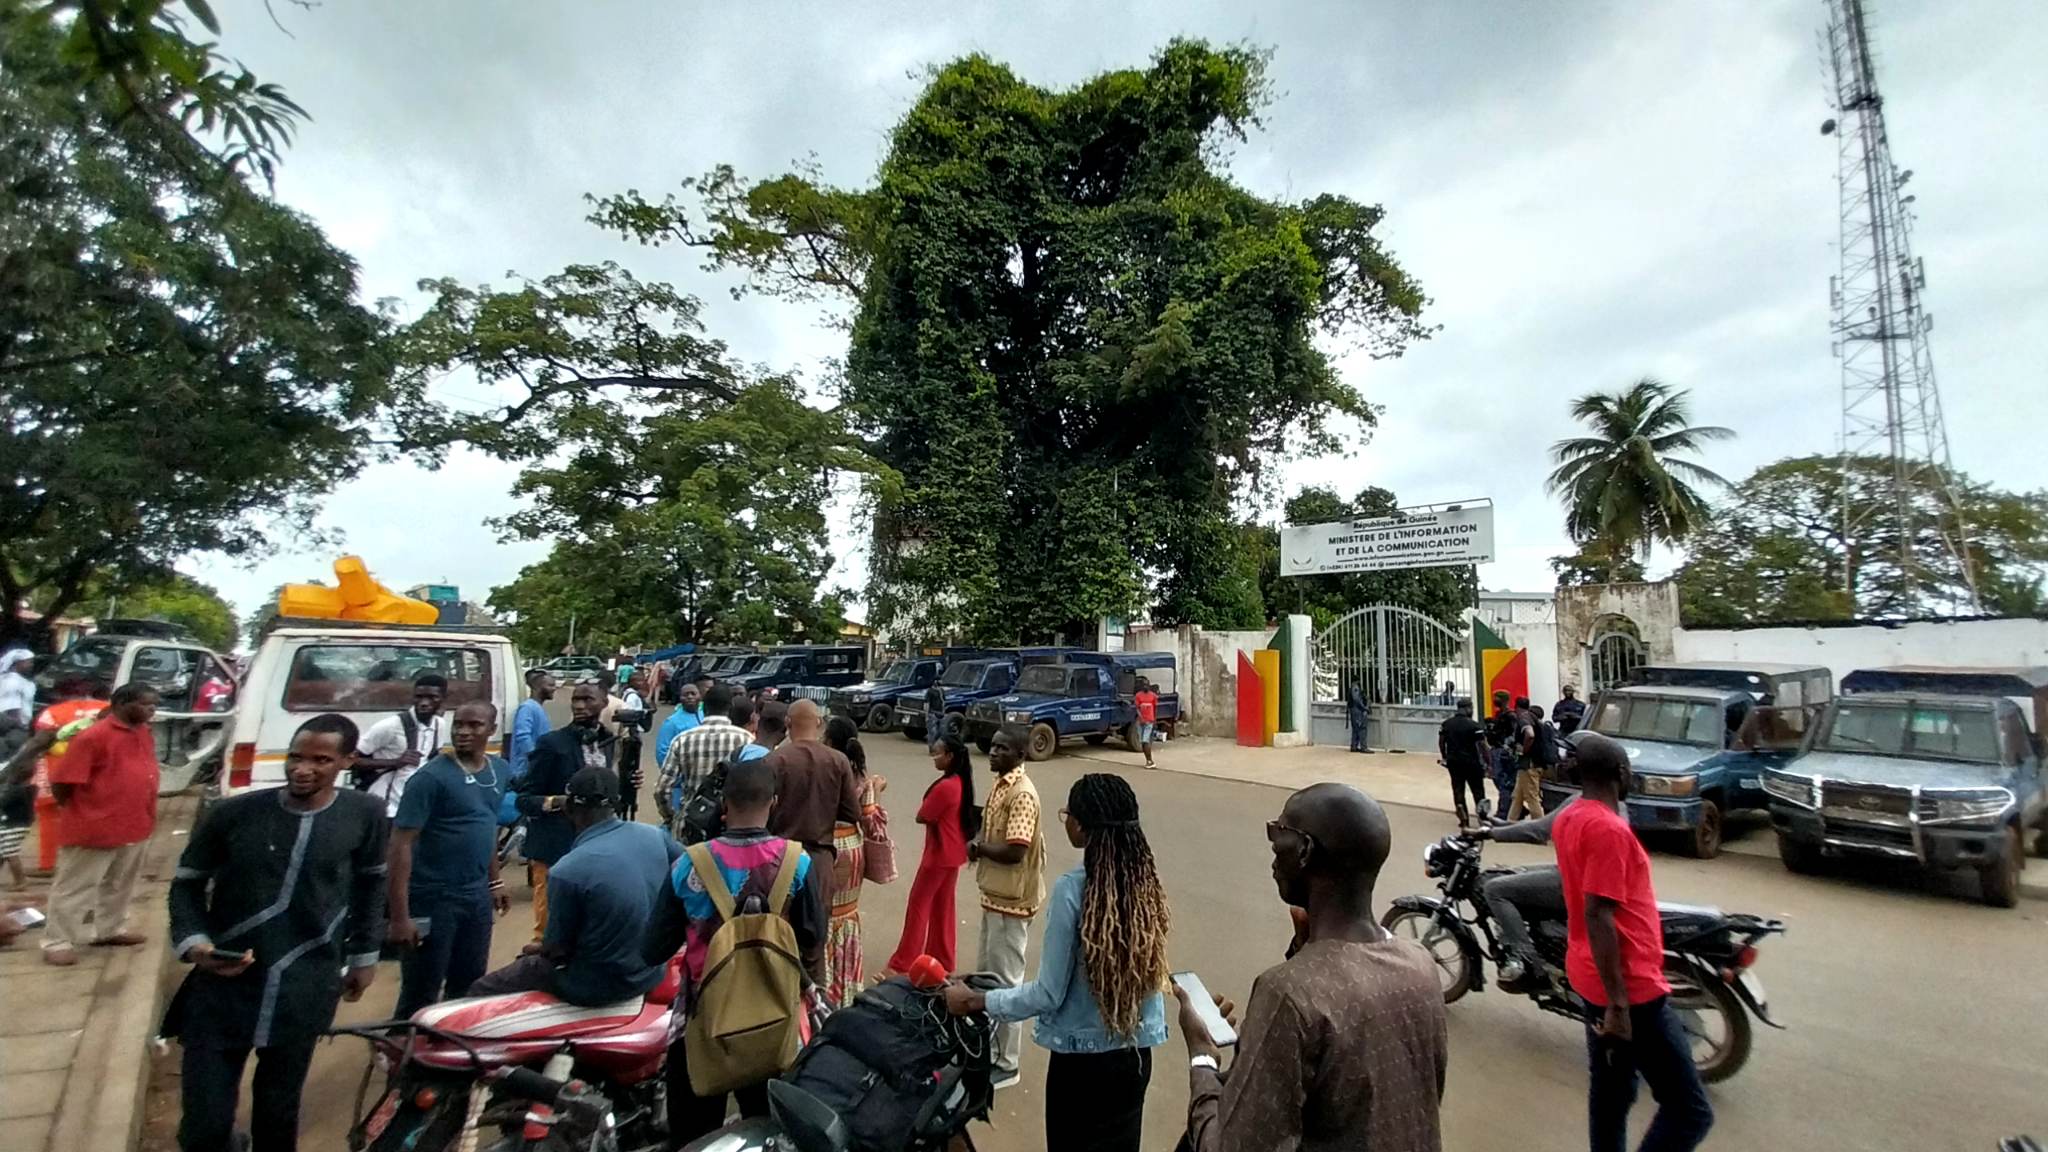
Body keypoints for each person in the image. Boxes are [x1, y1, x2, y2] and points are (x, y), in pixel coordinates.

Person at [1176, 782, 1447, 1151]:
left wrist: (1202, 1057)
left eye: (1278, 833)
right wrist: (1305, 951)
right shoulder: (1421, 965)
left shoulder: (1288, 993)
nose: (1273, 850)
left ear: (1304, 850)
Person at [166, 714, 388, 1152]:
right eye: (295, 757)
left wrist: (364, 956)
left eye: (321, 760)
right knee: (204, 1127)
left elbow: (371, 883)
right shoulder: (235, 814)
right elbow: (186, 884)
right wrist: (196, 946)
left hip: (305, 983)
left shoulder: (364, 813)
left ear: (347, 761)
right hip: (224, 985)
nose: (302, 769)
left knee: (278, 1113)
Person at [943, 774, 1169, 1152]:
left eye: (1067, 814)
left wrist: (974, 1001)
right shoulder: (1144, 880)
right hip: (1135, 1059)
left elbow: (1048, 994)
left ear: (1079, 826)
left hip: (1081, 1067)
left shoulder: (1072, 889)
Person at [1552, 733, 1712, 1151]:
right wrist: (1619, 1006)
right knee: (1690, 1111)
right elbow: (1598, 913)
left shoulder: (1570, 816)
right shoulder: (1608, 830)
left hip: (1591, 974)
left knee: (1612, 1092)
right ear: (1621, 773)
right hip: (1631, 989)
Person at [664, 757, 825, 1145]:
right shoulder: (797, 862)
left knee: (693, 1135)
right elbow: (813, 936)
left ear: (724, 803)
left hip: (703, 1022)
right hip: (774, 1018)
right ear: (773, 802)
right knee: (770, 1130)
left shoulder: (689, 864)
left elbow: (656, 945)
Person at [469, 767, 683, 1004]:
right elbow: (690, 868)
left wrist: (537, 950)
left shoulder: (566, 871)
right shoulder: (654, 836)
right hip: (650, 973)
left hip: (595, 986)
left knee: (481, 988)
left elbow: (556, 949)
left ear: (568, 807)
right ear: (616, 804)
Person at [387, 701, 512, 1020]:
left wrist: (495, 881)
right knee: (421, 988)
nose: (463, 732)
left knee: (469, 982)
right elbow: (401, 844)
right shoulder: (430, 779)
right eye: (458, 724)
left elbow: (487, 827)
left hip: (476, 897)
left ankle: (450, 1046)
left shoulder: (499, 770)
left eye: (474, 725)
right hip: (433, 897)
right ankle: (404, 1046)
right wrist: (400, 916)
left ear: (492, 729)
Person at [43, 682, 161, 967]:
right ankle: (58, 940)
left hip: (135, 822)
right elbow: (62, 783)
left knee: (121, 882)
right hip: (94, 825)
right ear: (121, 704)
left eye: (154, 704)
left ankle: (110, 929)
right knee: (76, 886)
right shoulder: (93, 737)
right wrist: (85, 811)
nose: (152, 710)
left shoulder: (143, 733)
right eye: (145, 704)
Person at [966, 726, 1045, 1089]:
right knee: (987, 978)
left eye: (1002, 748)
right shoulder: (1001, 785)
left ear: (1020, 754)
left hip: (1012, 903)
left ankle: (1008, 1062)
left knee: (1007, 984)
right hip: (995, 897)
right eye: (993, 746)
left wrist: (978, 848)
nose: (994, 752)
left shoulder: (1022, 793)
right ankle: (989, 1050)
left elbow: (1016, 850)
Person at [763, 699, 860, 982]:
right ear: (818, 723)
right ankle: (813, 1000)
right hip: (819, 861)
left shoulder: (774, 760)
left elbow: (763, 812)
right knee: (814, 944)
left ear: (787, 724)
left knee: (776, 938)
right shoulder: (837, 760)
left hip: (779, 859)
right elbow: (852, 813)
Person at [515, 682, 612, 941]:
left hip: (595, 848)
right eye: (576, 700)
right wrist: (558, 802)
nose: (579, 705)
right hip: (554, 849)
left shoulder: (607, 741)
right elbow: (524, 800)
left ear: (604, 703)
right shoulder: (552, 744)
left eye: (588, 699)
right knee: (549, 930)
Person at [885, 733, 974, 976]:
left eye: (938, 753)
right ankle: (943, 958)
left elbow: (923, 815)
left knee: (919, 905)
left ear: (950, 756)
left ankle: (903, 962)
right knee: (943, 906)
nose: (935, 757)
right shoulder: (959, 781)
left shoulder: (946, 787)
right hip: (952, 852)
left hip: (938, 854)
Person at [822, 715, 885, 1006]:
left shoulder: (822, 771)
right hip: (852, 848)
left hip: (825, 847)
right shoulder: (861, 778)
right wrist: (876, 792)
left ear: (829, 741)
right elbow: (873, 825)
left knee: (824, 915)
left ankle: (823, 987)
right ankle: (845, 990)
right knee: (846, 916)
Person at [658, 682, 750, 830]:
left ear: (704, 706)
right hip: (729, 826)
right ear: (730, 706)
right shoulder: (746, 740)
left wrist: (670, 817)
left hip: (690, 824)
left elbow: (662, 789)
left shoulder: (682, 740)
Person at [357, 673, 450, 816]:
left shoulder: (439, 725)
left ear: (443, 699)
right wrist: (395, 762)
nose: (424, 703)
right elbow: (350, 760)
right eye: (419, 697)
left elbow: (432, 759)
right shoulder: (390, 726)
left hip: (418, 806)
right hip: (386, 808)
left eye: (432, 697)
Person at [1436, 699, 1489, 828]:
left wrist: (1445, 757)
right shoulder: (1474, 726)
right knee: (1478, 791)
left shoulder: (1447, 724)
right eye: (1472, 708)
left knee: (1458, 790)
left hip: (1454, 763)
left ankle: (1464, 820)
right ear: (1468, 708)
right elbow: (1483, 746)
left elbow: (1441, 742)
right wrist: (1489, 762)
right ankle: (1483, 820)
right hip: (1472, 763)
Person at [508, 668, 556, 781]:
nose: (554, 688)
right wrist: (536, 759)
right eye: (550, 685)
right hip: (524, 773)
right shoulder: (527, 707)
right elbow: (523, 736)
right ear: (536, 687)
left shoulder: (536, 707)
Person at [1507, 702, 1546, 822]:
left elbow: (1530, 735)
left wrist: (1523, 750)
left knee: (1532, 798)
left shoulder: (1525, 718)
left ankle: (1539, 827)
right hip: (1532, 765)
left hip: (1529, 765)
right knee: (1517, 796)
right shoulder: (1539, 723)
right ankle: (1511, 822)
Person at [1485, 690, 1519, 821]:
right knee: (1498, 779)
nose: (1494, 700)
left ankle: (1503, 812)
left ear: (1504, 699)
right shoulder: (1499, 714)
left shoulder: (1510, 716)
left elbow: (1513, 734)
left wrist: (1507, 747)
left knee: (1503, 782)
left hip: (1503, 752)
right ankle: (1515, 808)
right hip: (1496, 749)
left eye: (1497, 698)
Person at [655, 680, 704, 767]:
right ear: (680, 698)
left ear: (699, 696)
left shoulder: (705, 716)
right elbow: (662, 751)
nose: (690, 697)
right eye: (686, 695)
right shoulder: (671, 722)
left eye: (693, 694)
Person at [0, 648, 33, 729]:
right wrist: (20, 727)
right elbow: (11, 708)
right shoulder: (13, 681)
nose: (32, 665)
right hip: (14, 728)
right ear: (19, 663)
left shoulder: (14, 679)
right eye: (29, 662)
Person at [1133, 677, 1160, 769]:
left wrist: (1155, 719)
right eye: (1144, 685)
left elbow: (1155, 709)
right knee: (1142, 742)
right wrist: (1140, 717)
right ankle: (1148, 760)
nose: (1146, 687)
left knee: (1145, 740)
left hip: (1149, 721)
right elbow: (1137, 708)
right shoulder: (1138, 695)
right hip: (1140, 722)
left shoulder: (1153, 696)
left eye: (1147, 685)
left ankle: (1150, 761)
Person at [922, 678, 946, 749]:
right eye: (939, 680)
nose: (941, 682)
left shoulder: (942, 690)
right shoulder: (930, 691)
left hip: (941, 714)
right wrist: (926, 715)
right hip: (932, 713)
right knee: (932, 732)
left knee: (941, 732)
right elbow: (926, 703)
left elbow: (944, 702)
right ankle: (931, 748)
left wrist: (944, 712)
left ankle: (937, 747)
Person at [1347, 677, 1369, 754]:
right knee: (1362, 728)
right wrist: (1364, 707)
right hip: (1357, 711)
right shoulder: (1355, 688)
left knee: (1355, 729)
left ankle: (1354, 746)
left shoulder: (1352, 688)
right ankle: (1364, 747)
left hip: (1354, 710)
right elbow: (1356, 699)